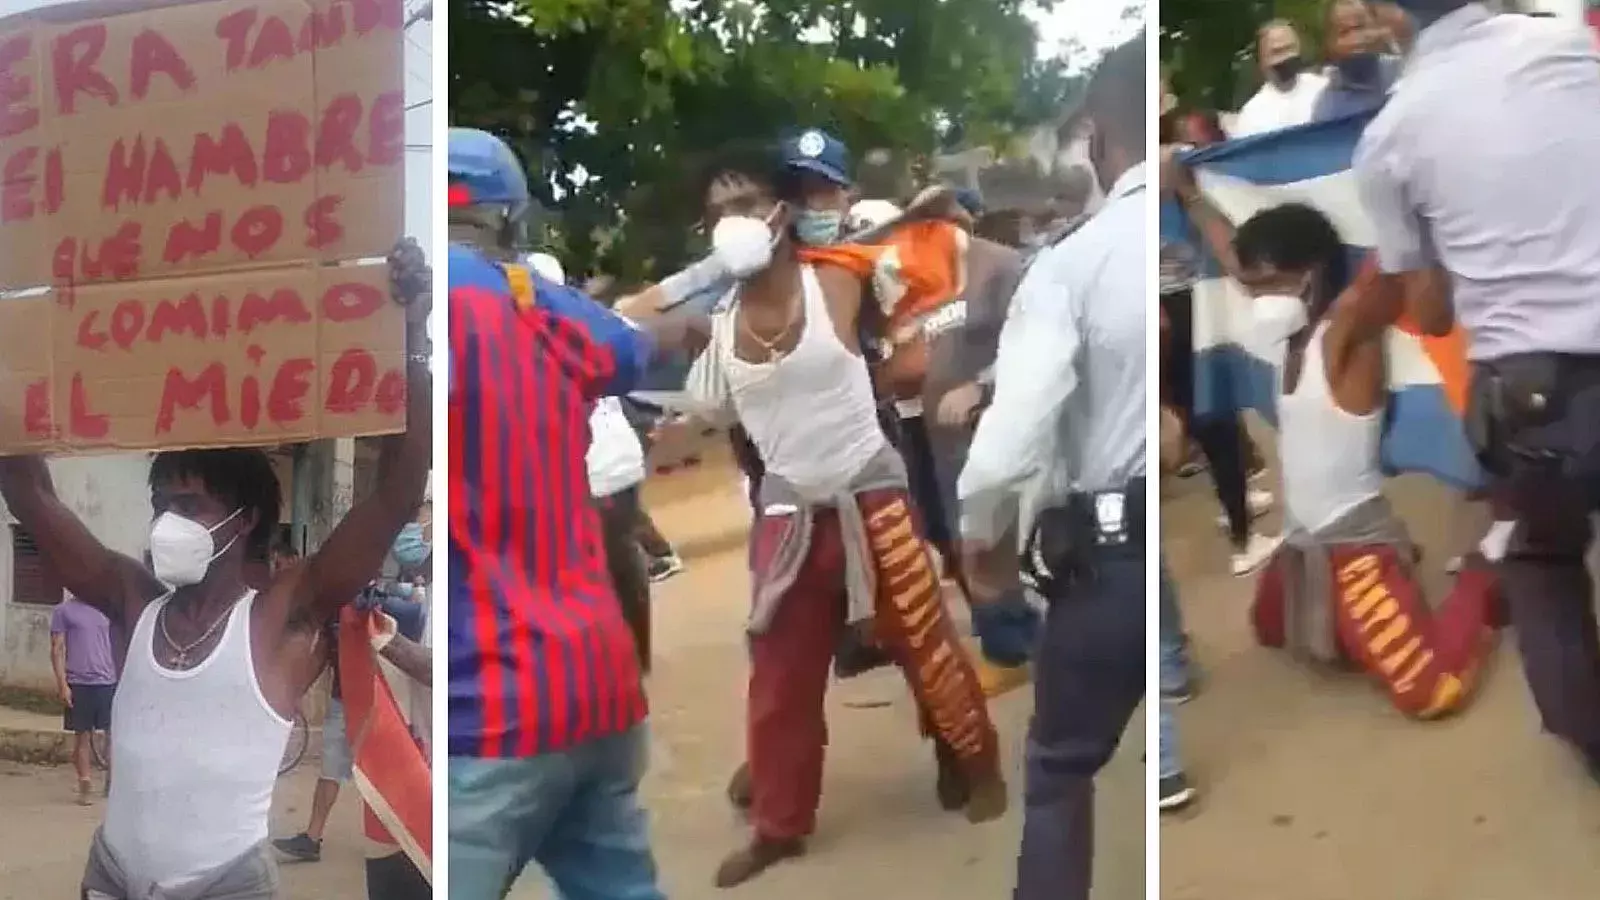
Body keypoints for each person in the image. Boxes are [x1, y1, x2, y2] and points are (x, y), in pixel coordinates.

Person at [0, 246, 431, 898]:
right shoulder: (130, 599)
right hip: (112, 878)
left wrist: (411, 339)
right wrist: (16, 344)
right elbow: (32, 496)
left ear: (246, 517)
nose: (166, 522)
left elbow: (395, 491)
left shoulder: (284, 614)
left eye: (187, 505)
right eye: (159, 505)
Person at [665, 139, 1005, 888]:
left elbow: (918, 341)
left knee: (925, 641)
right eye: (719, 209)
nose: (733, 219)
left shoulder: (847, 279)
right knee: (780, 675)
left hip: (872, 490)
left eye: (746, 202)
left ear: (779, 210)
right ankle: (780, 824)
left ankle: (971, 761)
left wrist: (878, 384)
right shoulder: (715, 324)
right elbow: (710, 407)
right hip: (788, 512)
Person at [446, 126, 700, 900]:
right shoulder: (540, 304)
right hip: (594, 685)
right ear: (511, 221)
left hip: (489, 712)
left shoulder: (411, 312)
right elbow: (637, 343)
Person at [1354, 0, 1600, 773]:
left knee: (1544, 565)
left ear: (1392, 14)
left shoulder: (1388, 137)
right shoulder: (1573, 51)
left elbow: (1427, 312)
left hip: (1536, 402)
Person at [957, 33, 1147, 900]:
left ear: (1096, 138)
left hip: (1106, 565)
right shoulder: (1173, 231)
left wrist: (982, 535)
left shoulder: (1071, 264)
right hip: (1167, 554)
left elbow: (1006, 444)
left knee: (1061, 769)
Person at [1222, 202, 1501, 717]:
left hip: (1354, 546)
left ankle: (1488, 568)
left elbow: (1391, 268)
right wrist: (1191, 198)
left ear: (1312, 272)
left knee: (1430, 692)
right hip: (1303, 537)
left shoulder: (1345, 330)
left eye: (1268, 283)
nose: (1257, 297)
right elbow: (1231, 258)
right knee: (1268, 629)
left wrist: (1407, 196)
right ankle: (1398, 577)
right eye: (1251, 286)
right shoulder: (1288, 338)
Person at [1161, 92, 1279, 577]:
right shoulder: (1177, 163)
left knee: (1205, 411)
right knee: (1216, 410)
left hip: (1170, 307)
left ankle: (1240, 504)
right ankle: (1243, 538)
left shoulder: (1138, 174)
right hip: (1192, 302)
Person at [588, 394, 655, 672]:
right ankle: (635, 655)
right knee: (619, 553)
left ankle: (632, 657)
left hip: (601, 464)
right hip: (615, 452)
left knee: (615, 558)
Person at [51, 590, 117, 805]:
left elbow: (119, 642)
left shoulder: (107, 608)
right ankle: (85, 784)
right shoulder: (63, 611)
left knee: (113, 735)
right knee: (82, 737)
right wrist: (62, 684)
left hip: (108, 682)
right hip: (78, 683)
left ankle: (112, 780)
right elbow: (57, 649)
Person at [1232, 19, 1329, 137]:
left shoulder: (1324, 89)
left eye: (1290, 48)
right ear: (1262, 60)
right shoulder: (1251, 115)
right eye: (1277, 51)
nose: (1286, 56)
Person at [1314, 0, 1402, 122]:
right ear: (1330, 43)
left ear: (1378, 27)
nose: (1356, 40)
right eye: (1344, 32)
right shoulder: (1328, 109)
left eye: (1360, 27)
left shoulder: (1407, 74)